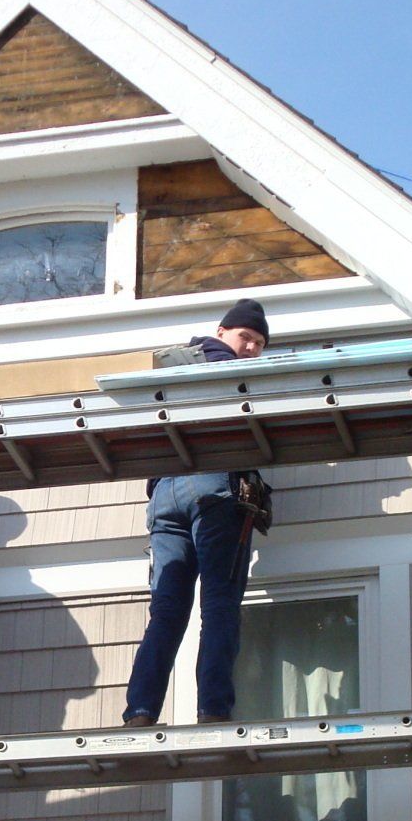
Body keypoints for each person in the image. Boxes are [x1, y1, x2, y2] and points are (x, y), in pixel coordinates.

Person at [122, 298, 271, 727]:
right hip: (213, 486)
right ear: (221, 333)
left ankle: (140, 712)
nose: (251, 349)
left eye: (259, 345)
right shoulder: (234, 372)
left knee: (167, 612)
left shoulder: (172, 367)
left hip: (163, 495)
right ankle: (214, 710)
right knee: (220, 602)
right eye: (246, 337)